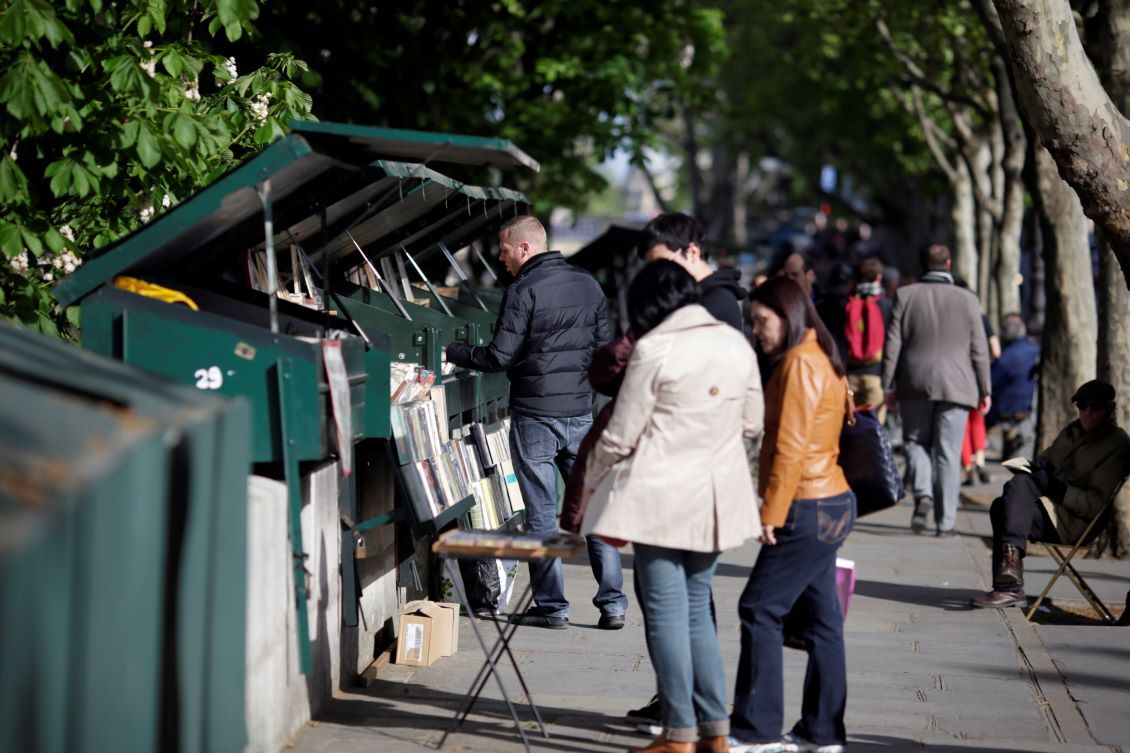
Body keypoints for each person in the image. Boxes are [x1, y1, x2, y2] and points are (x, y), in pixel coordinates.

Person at [581, 260, 764, 753]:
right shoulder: (736, 345)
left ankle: (679, 733)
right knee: (698, 612)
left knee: (664, 613)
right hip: (715, 497)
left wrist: (588, 487)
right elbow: (752, 422)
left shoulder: (655, 348)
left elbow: (620, 434)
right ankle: (715, 733)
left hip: (660, 495)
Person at [444, 215, 627, 629]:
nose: (501, 259)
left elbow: (498, 357)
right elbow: (604, 351)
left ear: (524, 248)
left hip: (534, 416)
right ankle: (612, 604)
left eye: (505, 251)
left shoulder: (522, 290)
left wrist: (453, 351)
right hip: (581, 413)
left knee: (542, 514)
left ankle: (552, 608)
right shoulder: (588, 283)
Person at [730, 276, 855, 753]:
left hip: (807, 503)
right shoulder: (818, 353)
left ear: (788, 314)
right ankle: (822, 732)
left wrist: (771, 512)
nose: (756, 330)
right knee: (823, 622)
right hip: (830, 501)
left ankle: (757, 728)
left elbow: (790, 447)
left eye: (762, 321)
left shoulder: (801, 363)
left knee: (759, 608)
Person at [972, 380, 1130, 608]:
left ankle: (1009, 583)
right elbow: (1048, 461)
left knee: (1005, 505)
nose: (1087, 412)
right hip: (1049, 506)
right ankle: (1009, 579)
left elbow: (1094, 505)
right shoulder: (1072, 431)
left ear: (1109, 409)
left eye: (1095, 407)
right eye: (1082, 405)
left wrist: (1056, 487)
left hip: (1074, 523)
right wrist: (1037, 469)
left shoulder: (1117, 445)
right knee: (1015, 488)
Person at [882, 244, 991, 537]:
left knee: (915, 442)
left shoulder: (905, 296)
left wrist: (887, 384)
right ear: (949, 263)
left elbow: (893, 344)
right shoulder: (968, 299)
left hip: (914, 381)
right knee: (949, 453)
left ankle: (924, 494)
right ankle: (946, 523)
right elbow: (979, 348)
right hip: (958, 385)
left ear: (923, 264)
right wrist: (985, 388)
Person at [637, 212, 746, 330]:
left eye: (662, 264)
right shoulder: (692, 299)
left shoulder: (715, 304)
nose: (657, 276)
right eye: (651, 269)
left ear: (692, 253)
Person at [842, 256, 892, 425]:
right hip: (876, 375)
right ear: (879, 277)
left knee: (850, 427)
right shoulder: (886, 305)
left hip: (849, 375)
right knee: (874, 430)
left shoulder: (847, 303)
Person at [989, 313, 1040, 461]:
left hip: (1007, 407)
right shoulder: (1034, 350)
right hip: (1029, 405)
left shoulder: (1005, 357)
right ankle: (1013, 444)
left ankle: (1010, 443)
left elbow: (992, 384)